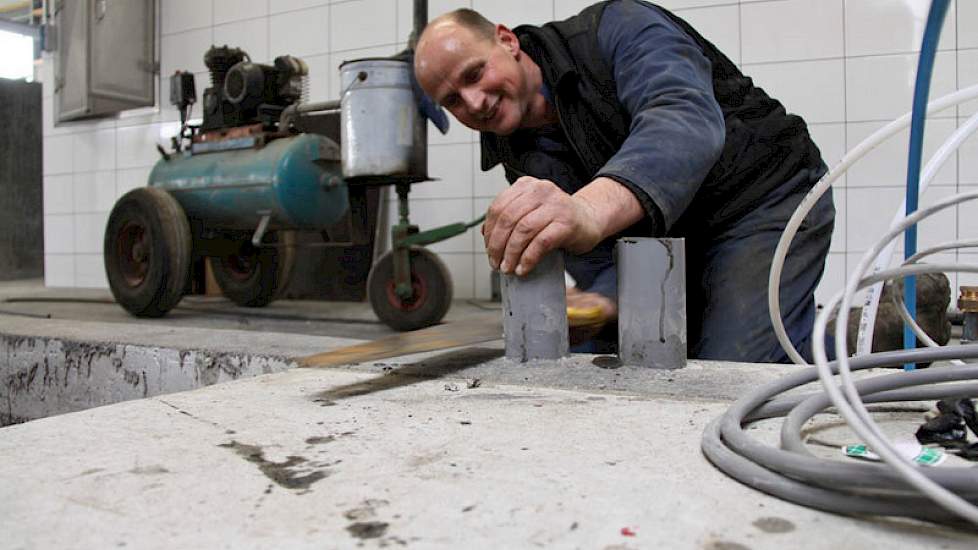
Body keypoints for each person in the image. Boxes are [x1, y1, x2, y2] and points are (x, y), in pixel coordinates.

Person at [413, 0, 835, 362]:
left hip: (762, 201)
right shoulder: (515, 146)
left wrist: (588, 209)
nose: (473, 102)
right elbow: (592, 248)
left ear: (506, 40)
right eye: (452, 100)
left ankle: (833, 346)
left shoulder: (619, 27)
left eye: (473, 74)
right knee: (614, 361)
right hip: (673, 235)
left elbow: (682, 120)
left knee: (731, 373)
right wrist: (602, 298)